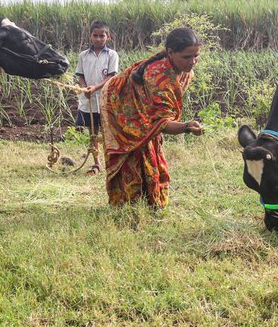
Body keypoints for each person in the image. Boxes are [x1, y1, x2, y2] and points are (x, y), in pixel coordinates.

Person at [100, 27, 205, 208]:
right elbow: (162, 123)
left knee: (151, 147)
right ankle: (127, 205)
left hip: (142, 108)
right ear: (170, 53)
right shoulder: (158, 75)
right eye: (187, 57)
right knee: (132, 153)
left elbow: (160, 115)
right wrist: (186, 126)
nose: (193, 61)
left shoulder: (186, 72)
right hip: (117, 106)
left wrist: (156, 129)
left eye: (196, 56)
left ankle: (152, 202)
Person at [75, 20, 119, 175]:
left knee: (107, 132)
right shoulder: (83, 55)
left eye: (102, 35)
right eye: (95, 35)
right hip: (88, 100)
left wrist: (95, 88)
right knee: (92, 132)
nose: (98, 39)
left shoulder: (112, 55)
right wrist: (85, 87)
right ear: (90, 36)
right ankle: (96, 163)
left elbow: (111, 77)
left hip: (105, 100)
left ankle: (110, 162)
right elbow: (80, 75)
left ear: (108, 36)